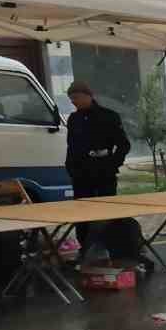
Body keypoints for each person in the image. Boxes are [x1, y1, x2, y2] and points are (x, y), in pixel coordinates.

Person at [64, 80, 131, 249]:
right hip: (80, 174)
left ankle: (108, 247)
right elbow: (71, 146)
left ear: (88, 96)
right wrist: (70, 167)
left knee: (106, 212)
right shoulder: (73, 119)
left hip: (103, 172)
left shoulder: (108, 116)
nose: (74, 102)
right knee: (83, 213)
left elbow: (123, 144)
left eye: (77, 98)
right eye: (71, 100)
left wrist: (113, 164)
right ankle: (85, 248)